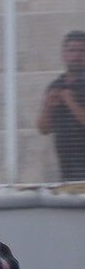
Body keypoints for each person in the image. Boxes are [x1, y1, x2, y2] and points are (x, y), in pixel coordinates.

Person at [38, 30, 85, 182]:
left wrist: (69, 100)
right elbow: (44, 129)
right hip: (67, 165)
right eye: (72, 50)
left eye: (82, 51)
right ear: (64, 55)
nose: (77, 56)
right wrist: (48, 106)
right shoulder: (56, 85)